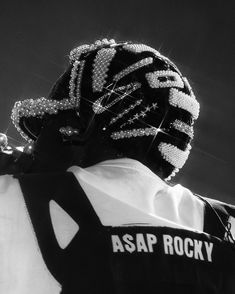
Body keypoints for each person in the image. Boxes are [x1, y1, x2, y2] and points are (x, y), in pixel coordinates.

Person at [0, 38, 235, 293]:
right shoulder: (226, 226)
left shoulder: (13, 201)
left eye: (48, 125)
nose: (34, 146)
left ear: (78, 127)